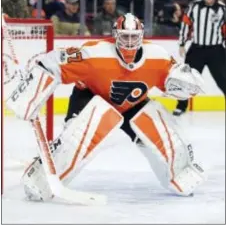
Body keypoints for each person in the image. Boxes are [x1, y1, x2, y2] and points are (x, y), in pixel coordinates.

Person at [6, 13, 206, 202]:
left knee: (158, 126)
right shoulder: (94, 53)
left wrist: (186, 82)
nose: (129, 42)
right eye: (124, 37)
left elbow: (177, 74)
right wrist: (32, 86)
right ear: (115, 36)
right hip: (91, 97)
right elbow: (53, 61)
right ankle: (41, 178)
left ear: (141, 37)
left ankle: (179, 172)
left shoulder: (158, 56)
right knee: (78, 138)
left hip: (133, 105)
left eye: (133, 37)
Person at [173, 0, 226, 116]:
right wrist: (182, 43)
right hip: (197, 49)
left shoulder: (222, 9)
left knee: (223, 80)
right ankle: (181, 106)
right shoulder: (194, 6)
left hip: (216, 50)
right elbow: (186, 24)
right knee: (187, 79)